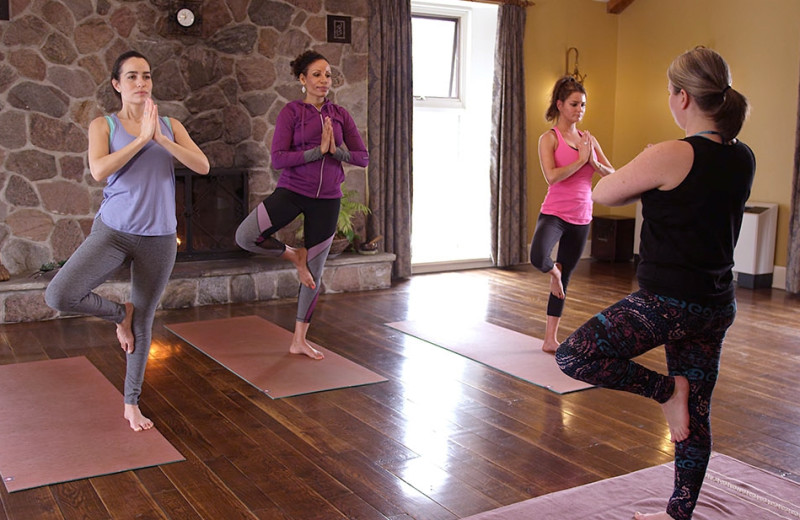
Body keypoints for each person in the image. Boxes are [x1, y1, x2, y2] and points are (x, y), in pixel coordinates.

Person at [555, 47, 754, 520]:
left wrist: (643, 161)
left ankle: (666, 392)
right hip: (715, 304)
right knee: (697, 415)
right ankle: (677, 514)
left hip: (667, 303)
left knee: (573, 354)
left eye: (669, 92)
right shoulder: (742, 156)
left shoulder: (671, 152)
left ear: (682, 97)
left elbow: (604, 192)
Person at [45, 50, 210, 432]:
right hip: (114, 233)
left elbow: (202, 166)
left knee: (145, 322)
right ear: (118, 85)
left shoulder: (169, 123)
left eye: (147, 76)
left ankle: (131, 403)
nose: (141, 83)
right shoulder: (102, 124)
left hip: (160, 238)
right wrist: (141, 140)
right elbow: (99, 169)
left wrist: (161, 139)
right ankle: (121, 313)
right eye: (132, 77)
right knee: (60, 294)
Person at [235, 50, 368, 360]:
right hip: (293, 191)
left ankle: (298, 340)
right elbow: (278, 159)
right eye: (317, 74)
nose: (324, 80)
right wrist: (315, 152)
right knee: (245, 236)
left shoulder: (340, 114)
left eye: (328, 74)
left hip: (328, 199)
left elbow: (362, 157)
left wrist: (335, 151)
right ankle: (294, 255)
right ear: (302, 79)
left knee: (314, 274)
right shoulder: (291, 113)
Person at [530, 76, 614, 353]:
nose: (580, 109)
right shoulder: (549, 139)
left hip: (582, 216)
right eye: (574, 104)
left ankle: (550, 338)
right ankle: (553, 272)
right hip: (555, 212)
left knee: (564, 280)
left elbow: (613, 174)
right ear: (560, 105)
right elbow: (552, 177)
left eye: (583, 105)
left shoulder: (589, 140)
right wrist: (580, 161)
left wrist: (595, 163)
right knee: (538, 256)